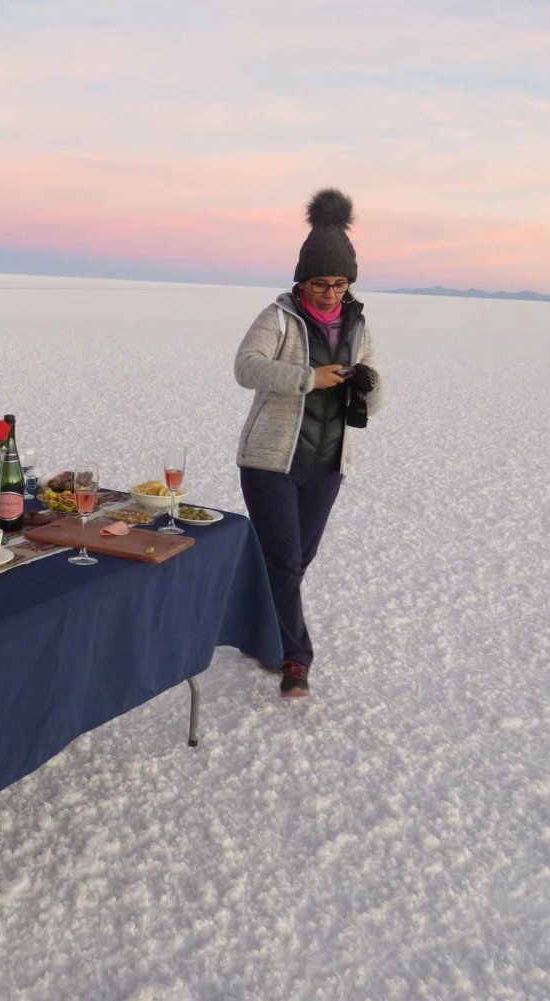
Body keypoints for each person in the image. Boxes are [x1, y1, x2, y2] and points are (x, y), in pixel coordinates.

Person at [233, 188, 386, 698]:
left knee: (296, 559)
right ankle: (295, 658)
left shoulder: (357, 325)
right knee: (285, 561)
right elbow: (245, 367)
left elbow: (380, 393)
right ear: (302, 281)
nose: (329, 294)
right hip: (271, 461)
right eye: (320, 283)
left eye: (339, 284)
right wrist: (308, 378)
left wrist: (367, 384)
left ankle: (245, 624)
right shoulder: (278, 317)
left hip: (327, 462)